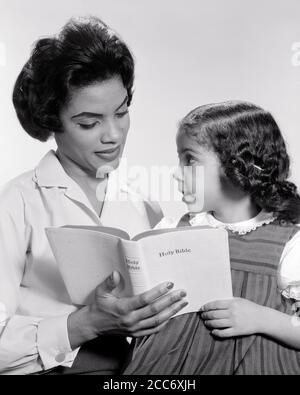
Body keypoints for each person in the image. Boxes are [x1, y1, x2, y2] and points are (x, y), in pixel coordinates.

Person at [0, 16, 187, 375]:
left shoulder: (143, 204)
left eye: (122, 113)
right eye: (89, 123)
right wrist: (85, 324)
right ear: (52, 120)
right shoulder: (17, 205)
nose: (113, 135)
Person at [123, 100, 300, 375]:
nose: (175, 172)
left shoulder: (288, 243)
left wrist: (262, 319)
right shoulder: (171, 231)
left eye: (189, 159)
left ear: (238, 165)